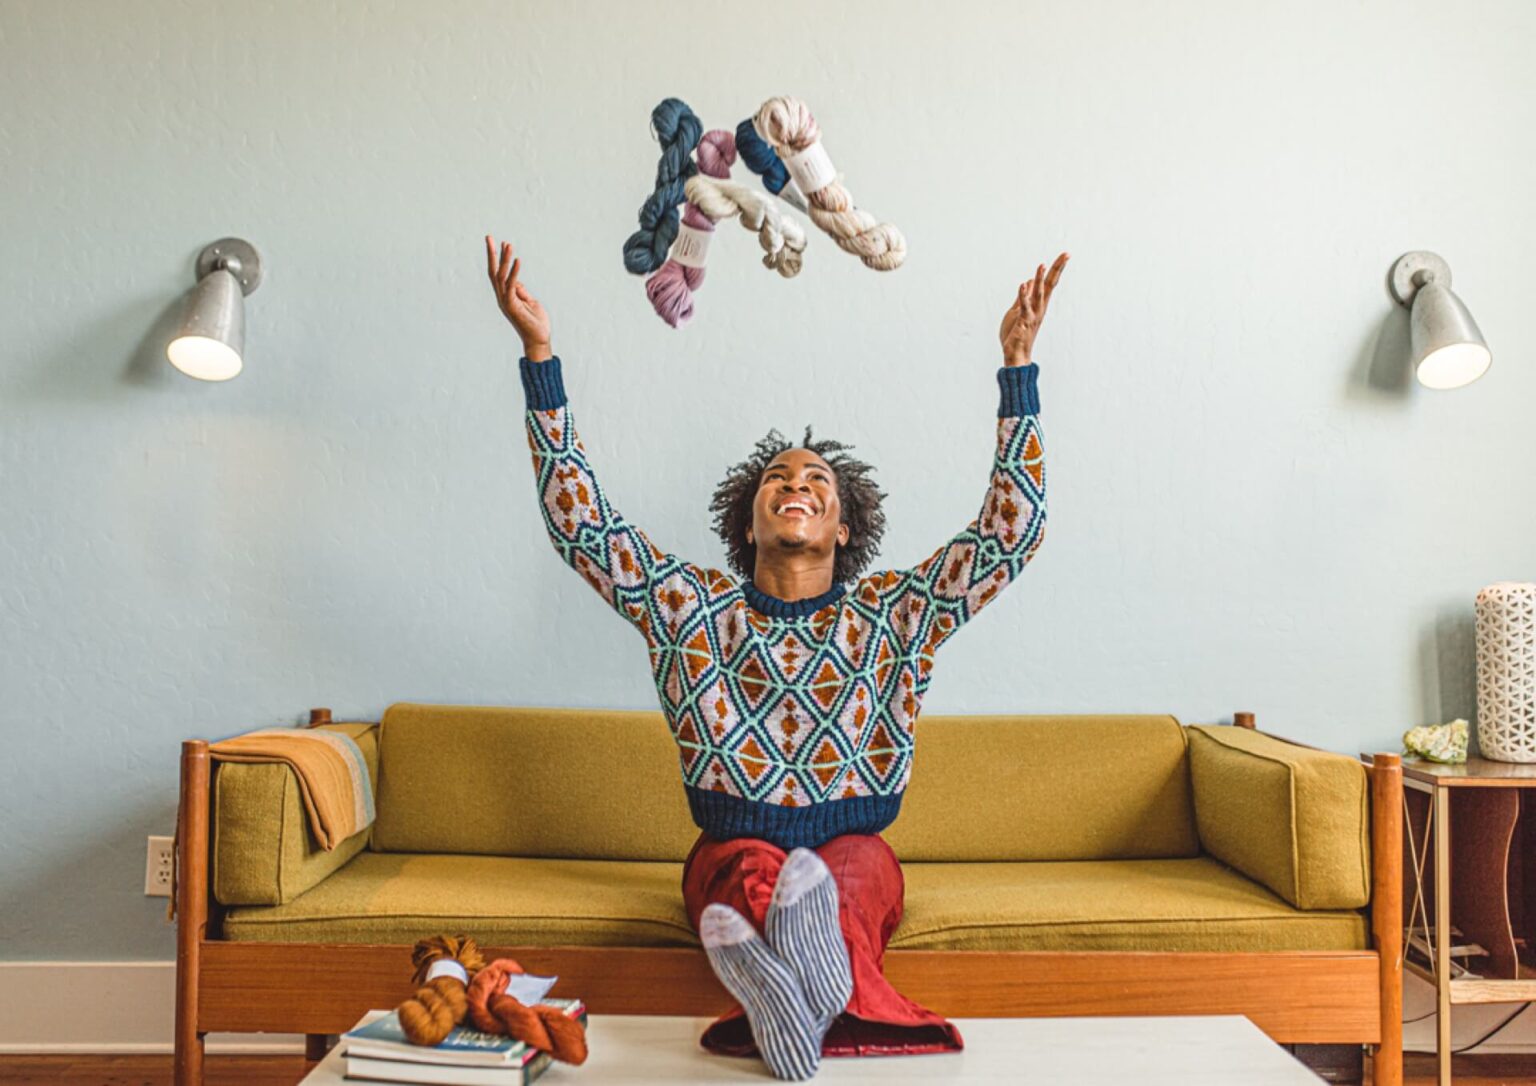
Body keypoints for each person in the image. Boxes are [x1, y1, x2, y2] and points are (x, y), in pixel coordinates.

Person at [485, 235, 1065, 1079]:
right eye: (777, 480)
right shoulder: (689, 608)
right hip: (731, 849)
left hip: (855, 847)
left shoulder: (895, 614)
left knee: (851, 877)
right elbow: (583, 527)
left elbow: (1010, 536)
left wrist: (1017, 371)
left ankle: (780, 999)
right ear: (749, 524)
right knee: (751, 874)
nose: (797, 484)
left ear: (843, 529)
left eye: (818, 482)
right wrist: (540, 357)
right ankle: (814, 992)